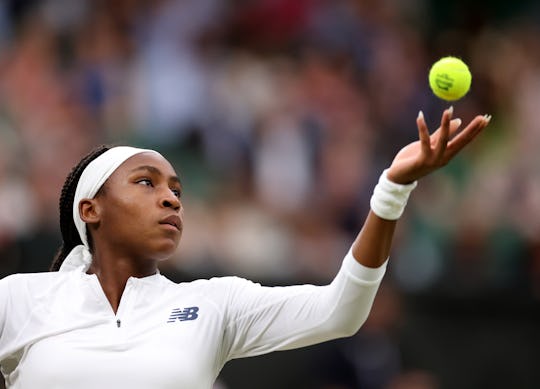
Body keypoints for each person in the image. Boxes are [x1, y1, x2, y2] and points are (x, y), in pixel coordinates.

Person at [0, 107, 490, 388]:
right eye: (146, 183)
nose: (171, 197)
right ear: (91, 210)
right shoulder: (20, 299)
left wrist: (391, 190)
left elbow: (342, 309)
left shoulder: (212, 303)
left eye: (177, 189)